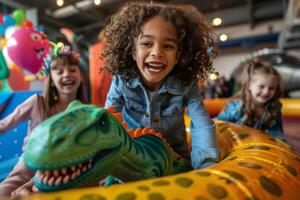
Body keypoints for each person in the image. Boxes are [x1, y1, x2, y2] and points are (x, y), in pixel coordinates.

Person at [102, 2, 219, 169]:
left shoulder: (185, 84)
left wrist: (207, 164)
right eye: (147, 44)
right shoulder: (122, 80)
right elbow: (110, 118)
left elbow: (201, 122)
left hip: (174, 156)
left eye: (168, 46)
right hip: (133, 154)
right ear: (134, 51)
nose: (157, 52)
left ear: (178, 56)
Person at [0, 45, 87, 198]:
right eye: (59, 72)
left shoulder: (85, 111)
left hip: (63, 166)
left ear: (81, 77)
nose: (67, 74)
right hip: (32, 161)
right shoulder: (37, 102)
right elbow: (5, 124)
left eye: (72, 70)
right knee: (6, 191)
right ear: (51, 79)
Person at [217, 59, 286, 140]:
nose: (266, 92)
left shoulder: (273, 108)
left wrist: (280, 142)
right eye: (261, 87)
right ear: (249, 85)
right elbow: (218, 125)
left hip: (260, 146)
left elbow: (277, 131)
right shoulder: (236, 108)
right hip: (237, 144)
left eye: (271, 88)